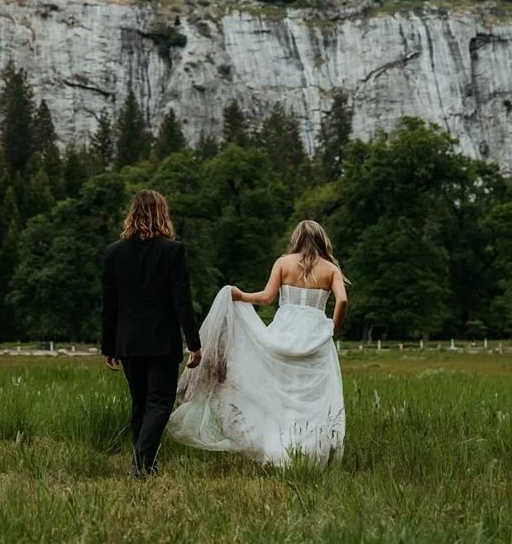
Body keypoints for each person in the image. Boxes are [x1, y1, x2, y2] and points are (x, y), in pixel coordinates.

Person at [167, 219, 347, 466]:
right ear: (321, 240)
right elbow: (343, 301)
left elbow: (266, 298)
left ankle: (280, 448)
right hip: (316, 337)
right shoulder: (331, 269)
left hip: (285, 333)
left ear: (296, 239)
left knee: (280, 394)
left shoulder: (283, 263)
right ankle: (311, 452)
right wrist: (332, 328)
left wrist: (241, 296)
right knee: (313, 397)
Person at [99, 188, 202, 478]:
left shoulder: (113, 253)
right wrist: (194, 343)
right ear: (162, 214)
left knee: (141, 404)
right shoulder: (172, 251)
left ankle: (146, 465)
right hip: (161, 341)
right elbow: (182, 301)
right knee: (159, 403)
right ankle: (140, 466)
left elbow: (109, 305)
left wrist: (107, 346)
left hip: (128, 341)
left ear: (132, 213)